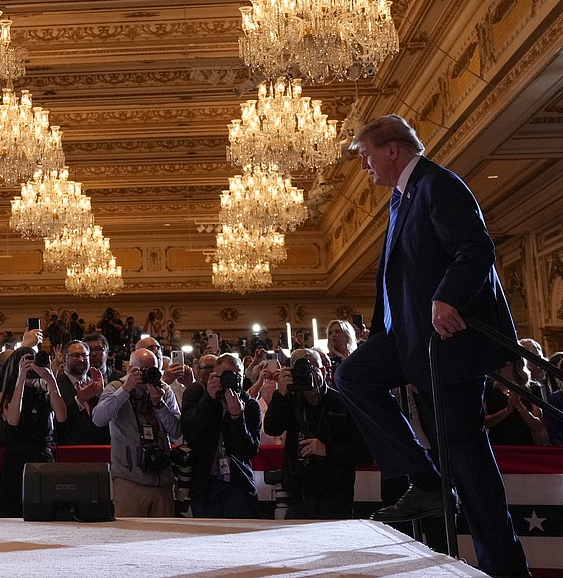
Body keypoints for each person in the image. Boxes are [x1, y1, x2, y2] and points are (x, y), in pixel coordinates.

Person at [334, 114, 528, 577]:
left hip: (448, 347)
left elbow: (476, 249)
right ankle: (423, 478)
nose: (365, 167)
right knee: (351, 375)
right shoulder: (403, 199)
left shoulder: (438, 184)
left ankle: (506, 568)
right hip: (409, 341)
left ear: (392, 151)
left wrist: (447, 296)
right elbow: (399, 279)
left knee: (470, 464)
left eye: (366, 156)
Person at [264, 348, 371, 519]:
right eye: (300, 369)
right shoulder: (290, 401)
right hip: (298, 494)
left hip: (335, 496)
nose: (306, 373)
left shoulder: (343, 403)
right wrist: (281, 395)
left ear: (324, 370)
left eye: (311, 367)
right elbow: (272, 428)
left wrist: (327, 450)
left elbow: (364, 455)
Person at [92, 347, 181, 516]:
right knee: (129, 535)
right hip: (130, 479)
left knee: (165, 536)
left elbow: (176, 431)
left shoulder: (164, 390)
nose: (148, 375)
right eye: (143, 370)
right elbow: (98, 419)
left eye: (152, 369)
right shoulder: (116, 387)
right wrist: (125, 390)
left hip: (161, 479)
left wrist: (159, 404)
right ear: (130, 369)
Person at [181, 353, 261, 518]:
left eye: (235, 375)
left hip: (238, 484)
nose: (230, 380)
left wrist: (237, 417)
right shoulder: (196, 395)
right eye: (225, 375)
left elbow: (249, 450)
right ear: (213, 376)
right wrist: (209, 399)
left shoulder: (250, 405)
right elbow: (190, 433)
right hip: (205, 483)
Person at [0, 347, 68, 516]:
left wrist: (50, 380)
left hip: (43, 456)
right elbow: (13, 420)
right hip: (17, 461)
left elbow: (62, 416)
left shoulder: (45, 392)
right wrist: (20, 379)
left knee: (45, 510)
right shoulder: (5, 395)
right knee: (14, 512)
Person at [56, 340, 110, 445]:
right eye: (75, 356)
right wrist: (78, 401)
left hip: (99, 447)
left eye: (84, 356)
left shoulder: (96, 382)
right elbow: (56, 420)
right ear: (64, 359)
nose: (81, 360)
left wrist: (102, 394)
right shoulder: (56, 385)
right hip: (70, 447)